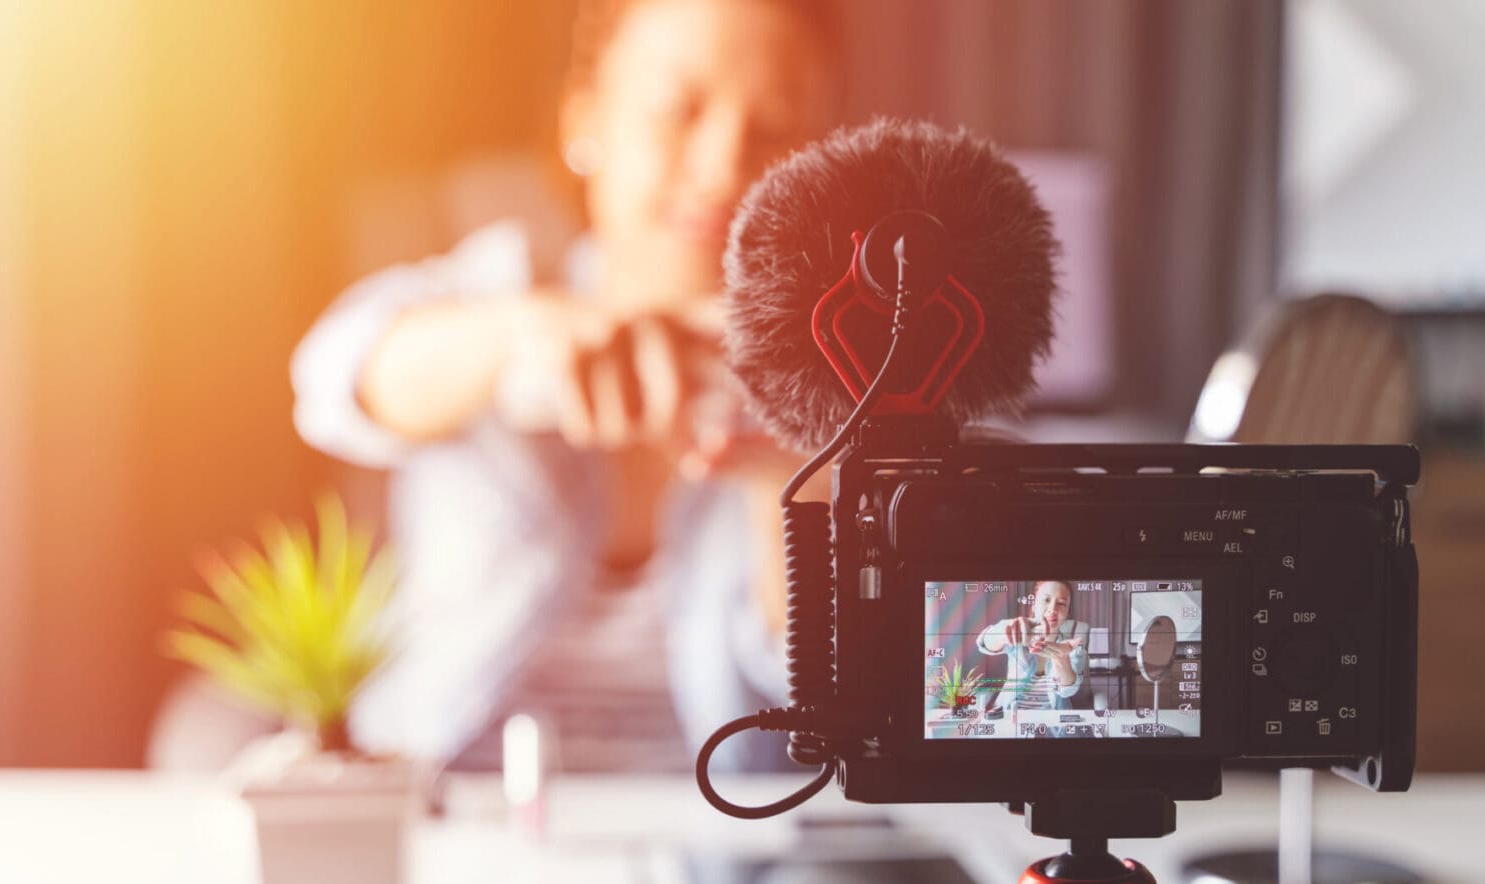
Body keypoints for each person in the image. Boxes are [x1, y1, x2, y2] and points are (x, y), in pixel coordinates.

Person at [291, 0, 842, 770]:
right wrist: (520, 334)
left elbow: (823, 733)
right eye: (678, 111)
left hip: (721, 860)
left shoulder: (851, 396)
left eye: (776, 128)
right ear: (587, 120)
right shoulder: (501, 290)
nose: (724, 166)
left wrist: (794, 487)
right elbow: (332, 377)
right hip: (450, 824)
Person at [976, 581, 1087, 712]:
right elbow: (984, 643)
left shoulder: (1073, 649)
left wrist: (1061, 659)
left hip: (1055, 726)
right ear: (1034, 606)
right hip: (1011, 720)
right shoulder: (1018, 637)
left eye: (1061, 603)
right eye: (1046, 600)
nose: (1053, 609)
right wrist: (1004, 632)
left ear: (1068, 612)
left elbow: (1068, 691)